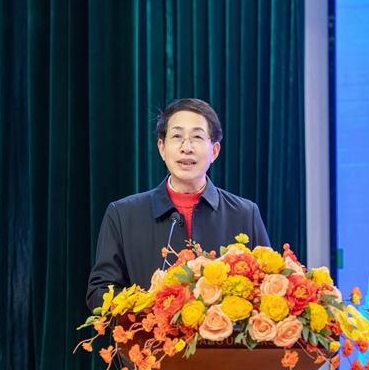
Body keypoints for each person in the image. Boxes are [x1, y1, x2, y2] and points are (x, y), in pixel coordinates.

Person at [86, 98, 271, 311]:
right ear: (162, 148)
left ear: (215, 150)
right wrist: (149, 310)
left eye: (197, 137)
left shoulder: (245, 214)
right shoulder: (122, 215)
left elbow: (265, 288)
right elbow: (100, 292)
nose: (186, 148)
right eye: (177, 137)